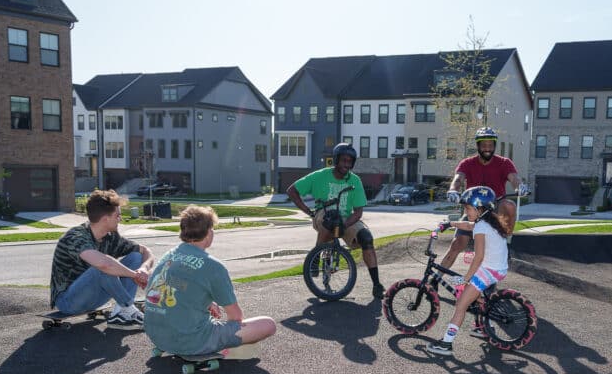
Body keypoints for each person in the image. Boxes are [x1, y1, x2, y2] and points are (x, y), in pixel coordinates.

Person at [144, 205, 276, 358]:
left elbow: (173, 283)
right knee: (268, 324)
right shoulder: (213, 266)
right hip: (190, 341)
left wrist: (207, 303)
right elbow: (235, 317)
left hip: (156, 335)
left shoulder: (169, 255)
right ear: (208, 233)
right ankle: (222, 348)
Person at [286, 143, 386, 299]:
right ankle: (315, 257)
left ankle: (377, 285)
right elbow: (292, 190)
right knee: (332, 218)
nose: (346, 164)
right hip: (323, 214)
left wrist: (344, 226)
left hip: (347, 219)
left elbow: (358, 212)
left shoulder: (355, 181)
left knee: (367, 238)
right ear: (336, 160)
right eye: (343, 160)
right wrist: (308, 211)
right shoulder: (320, 175)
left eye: (349, 161)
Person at [49, 189, 154, 329]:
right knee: (102, 267)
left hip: (96, 299)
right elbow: (103, 264)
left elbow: (146, 251)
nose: (120, 219)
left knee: (135, 256)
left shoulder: (111, 238)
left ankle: (122, 312)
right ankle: (127, 308)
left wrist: (143, 269)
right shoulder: (75, 236)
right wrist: (135, 275)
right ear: (105, 219)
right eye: (118, 215)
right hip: (69, 301)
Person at [427, 186, 512, 357]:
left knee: (461, 306)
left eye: (467, 208)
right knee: (474, 297)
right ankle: (483, 327)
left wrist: (466, 278)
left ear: (479, 208)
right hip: (498, 268)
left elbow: (479, 257)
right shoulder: (488, 221)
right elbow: (468, 224)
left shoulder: (481, 227)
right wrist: (449, 224)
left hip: (488, 270)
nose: (465, 211)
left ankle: (446, 345)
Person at [440, 126, 528, 278]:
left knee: (510, 205)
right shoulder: (467, 163)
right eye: (484, 145)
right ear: (478, 146)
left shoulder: (504, 163)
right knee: (456, 245)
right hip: (474, 210)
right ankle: (436, 279)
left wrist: (520, 186)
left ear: (494, 145)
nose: (487, 148)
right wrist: (453, 189)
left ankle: (506, 239)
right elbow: (458, 179)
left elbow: (514, 178)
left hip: (495, 210)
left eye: (491, 144)